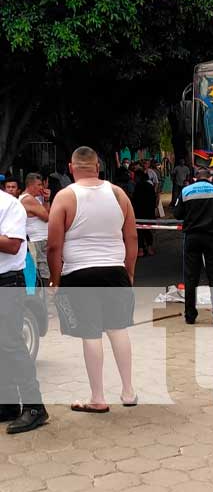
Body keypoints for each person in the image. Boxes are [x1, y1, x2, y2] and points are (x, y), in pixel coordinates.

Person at [47, 146, 138, 413]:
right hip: (114, 270)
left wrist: (55, 281)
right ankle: (128, 391)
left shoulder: (64, 197)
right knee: (118, 329)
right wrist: (129, 271)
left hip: (79, 272)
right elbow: (131, 238)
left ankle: (98, 397)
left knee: (90, 332)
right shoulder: (119, 194)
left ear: (71, 167)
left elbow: (54, 246)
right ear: (98, 167)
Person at [0, 188, 49, 434]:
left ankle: (34, 406)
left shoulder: (10, 206)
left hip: (7, 282)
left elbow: (11, 244)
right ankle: (7, 404)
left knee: (11, 344)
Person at [173, 167, 213, 325]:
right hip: (212, 238)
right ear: (211, 178)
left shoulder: (186, 192)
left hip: (192, 238)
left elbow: (177, 214)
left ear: (195, 178)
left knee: (190, 277)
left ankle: (190, 315)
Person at [19, 173, 51, 281]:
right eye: (39, 185)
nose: (41, 188)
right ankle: (45, 296)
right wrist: (46, 199)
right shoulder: (28, 199)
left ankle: (46, 295)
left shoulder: (35, 198)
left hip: (41, 239)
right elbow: (47, 217)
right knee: (43, 270)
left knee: (45, 268)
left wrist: (45, 199)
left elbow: (46, 213)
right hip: (38, 240)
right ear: (31, 185)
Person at [132, 169, 157, 257]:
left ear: (139, 177)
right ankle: (149, 248)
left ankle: (141, 249)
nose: (134, 179)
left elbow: (134, 200)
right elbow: (154, 200)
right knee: (147, 230)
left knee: (139, 231)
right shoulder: (150, 186)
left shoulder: (138, 187)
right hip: (148, 212)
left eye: (135, 177)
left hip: (139, 212)